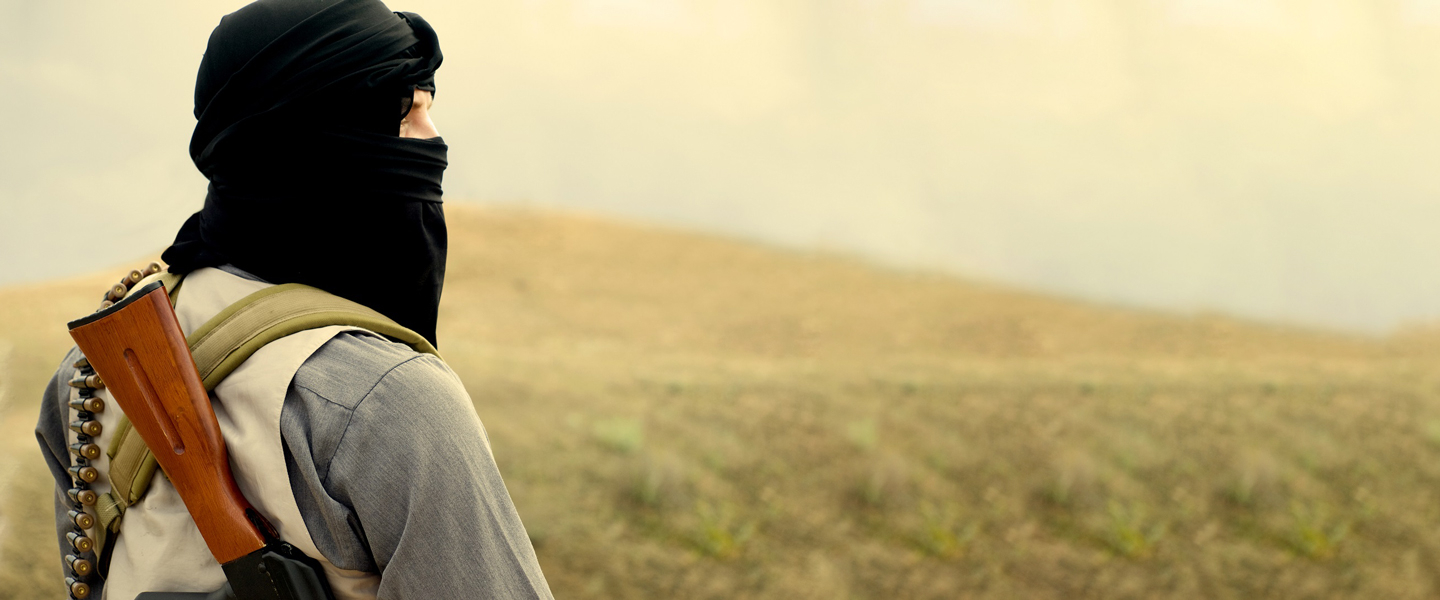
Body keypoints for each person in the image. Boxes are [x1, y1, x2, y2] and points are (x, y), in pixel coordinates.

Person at [35, 0, 555, 598]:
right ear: (321, 140)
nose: (433, 140)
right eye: (406, 114)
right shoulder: (392, 400)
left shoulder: (91, 372)